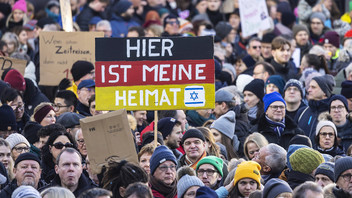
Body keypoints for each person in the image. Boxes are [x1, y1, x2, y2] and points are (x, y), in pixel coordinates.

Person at [296, 74, 335, 145]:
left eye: (313, 87)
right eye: (309, 87)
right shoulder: (302, 111)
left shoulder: (333, 113)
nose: (309, 90)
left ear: (324, 92)